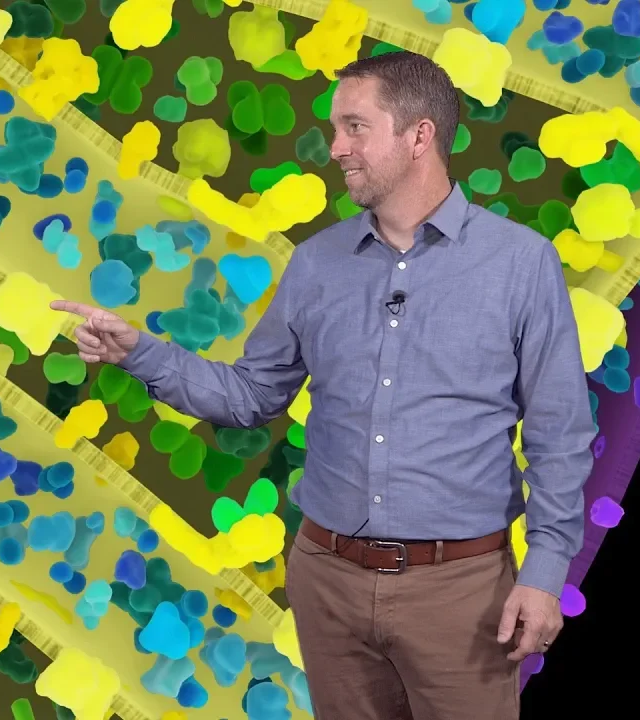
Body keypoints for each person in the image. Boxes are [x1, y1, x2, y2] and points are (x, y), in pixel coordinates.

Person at [51, 51, 596, 719]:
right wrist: (140, 353)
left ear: (419, 135)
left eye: (355, 127)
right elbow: (251, 396)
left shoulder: (520, 262)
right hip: (326, 580)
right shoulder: (316, 263)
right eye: (336, 129)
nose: (336, 147)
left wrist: (545, 574)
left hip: (462, 591)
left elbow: (559, 433)